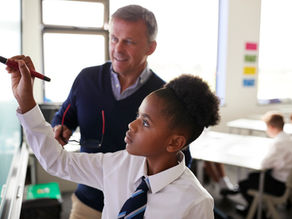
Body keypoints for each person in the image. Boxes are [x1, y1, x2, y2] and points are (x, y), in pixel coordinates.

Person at [8, 58, 220, 218]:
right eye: (138, 116)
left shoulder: (195, 202)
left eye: (145, 122)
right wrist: (26, 102)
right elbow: (57, 161)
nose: (132, 124)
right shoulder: (119, 164)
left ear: (175, 142)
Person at [50, 5, 192, 218]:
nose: (117, 49)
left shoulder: (165, 96)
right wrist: (59, 127)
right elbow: (64, 117)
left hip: (138, 209)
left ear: (150, 47)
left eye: (129, 41)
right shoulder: (86, 79)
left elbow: (181, 160)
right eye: (114, 39)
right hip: (88, 202)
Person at [227, 112, 292, 216]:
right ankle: (253, 207)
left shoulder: (279, 143)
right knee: (252, 176)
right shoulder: (286, 138)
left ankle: (256, 212)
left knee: (244, 184)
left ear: (271, 127)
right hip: (285, 179)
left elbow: (264, 165)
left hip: (280, 185)